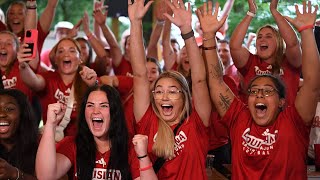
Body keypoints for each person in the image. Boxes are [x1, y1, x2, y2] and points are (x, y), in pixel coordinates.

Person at [199, 1, 319, 179]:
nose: (260, 94)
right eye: (254, 91)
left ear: (282, 101)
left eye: (268, 91)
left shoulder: (294, 121)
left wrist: (308, 32)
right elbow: (216, 82)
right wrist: (208, 36)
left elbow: (313, 82)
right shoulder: (239, 117)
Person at [129, 0, 212, 179]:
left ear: (185, 97)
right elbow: (139, 75)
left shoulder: (196, 122)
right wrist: (135, 23)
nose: (164, 97)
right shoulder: (148, 120)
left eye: (173, 91)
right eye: (158, 91)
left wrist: (187, 31)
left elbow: (198, 80)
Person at [36, 85, 157, 179]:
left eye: (103, 106)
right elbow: (45, 176)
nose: (95, 111)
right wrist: (51, 125)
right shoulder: (72, 144)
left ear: (114, 112)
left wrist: (143, 156)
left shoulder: (130, 147)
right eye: (90, 105)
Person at [18, 38, 95, 140]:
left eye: (72, 50)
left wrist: (93, 85)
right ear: (56, 59)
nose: (66, 54)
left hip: (82, 142)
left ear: (80, 58)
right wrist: (23, 66)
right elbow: (34, 82)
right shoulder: (49, 78)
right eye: (61, 51)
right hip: (53, 142)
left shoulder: (88, 78)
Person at [230, 0, 302, 106]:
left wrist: (274, 11)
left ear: (278, 42)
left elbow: (293, 44)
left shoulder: (289, 62)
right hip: (253, 120)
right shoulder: (250, 62)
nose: (262, 39)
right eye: (259, 37)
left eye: (268, 36)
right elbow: (234, 46)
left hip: (285, 120)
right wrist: (251, 13)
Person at [0, 89, 38, 179]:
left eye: (9, 109)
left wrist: (15, 174)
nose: (1, 114)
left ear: (23, 114)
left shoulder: (41, 145)